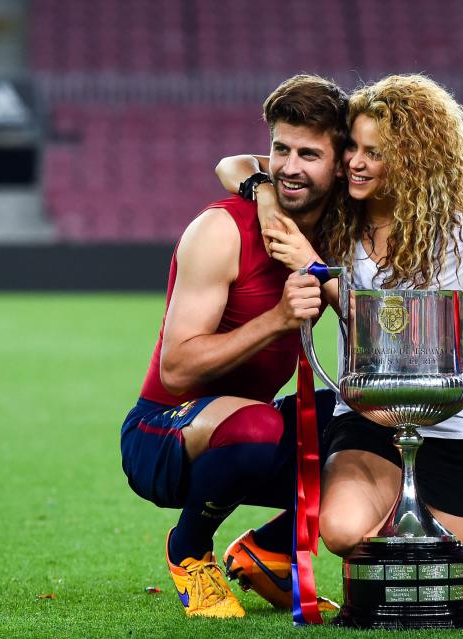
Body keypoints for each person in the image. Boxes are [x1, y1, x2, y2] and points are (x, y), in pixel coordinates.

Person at [216, 74, 463, 607]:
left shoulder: (448, 235)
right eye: (352, 145)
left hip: (446, 416)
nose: (354, 161)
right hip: (367, 413)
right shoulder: (337, 215)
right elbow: (232, 164)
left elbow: (397, 331)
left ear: (412, 160)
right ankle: (374, 532)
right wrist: (263, 198)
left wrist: (311, 265)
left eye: (374, 152)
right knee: (343, 532)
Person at [119, 75, 349, 619]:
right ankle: (189, 549)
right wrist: (275, 320)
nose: (289, 167)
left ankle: (267, 551)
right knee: (257, 428)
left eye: (309, 154)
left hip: (249, 424)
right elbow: (176, 368)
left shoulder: (334, 236)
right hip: (162, 434)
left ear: (340, 164)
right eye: (280, 149)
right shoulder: (221, 230)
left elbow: (385, 329)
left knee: (376, 432)